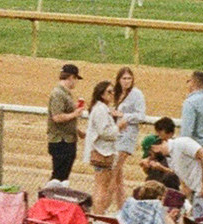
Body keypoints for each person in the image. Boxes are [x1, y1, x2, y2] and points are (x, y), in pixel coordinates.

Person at [108, 67, 145, 205]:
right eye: (124, 78)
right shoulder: (116, 93)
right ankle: (121, 205)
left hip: (128, 135)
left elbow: (141, 116)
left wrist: (124, 115)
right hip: (116, 133)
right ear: (118, 80)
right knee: (118, 176)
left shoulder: (136, 94)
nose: (126, 81)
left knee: (114, 170)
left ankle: (107, 201)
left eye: (129, 78)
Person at [82, 79, 119, 212]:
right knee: (101, 187)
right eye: (109, 91)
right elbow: (104, 131)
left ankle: (99, 213)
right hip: (102, 152)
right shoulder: (100, 110)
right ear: (101, 94)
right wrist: (118, 127)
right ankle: (98, 214)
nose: (112, 94)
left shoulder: (102, 109)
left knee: (103, 186)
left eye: (113, 91)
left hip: (104, 151)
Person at [46, 64, 82, 184]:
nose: (76, 82)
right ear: (71, 77)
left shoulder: (65, 93)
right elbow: (57, 117)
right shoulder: (58, 93)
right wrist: (75, 113)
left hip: (67, 139)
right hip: (61, 140)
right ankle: (50, 198)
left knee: (62, 175)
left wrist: (77, 129)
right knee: (58, 176)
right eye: (76, 79)